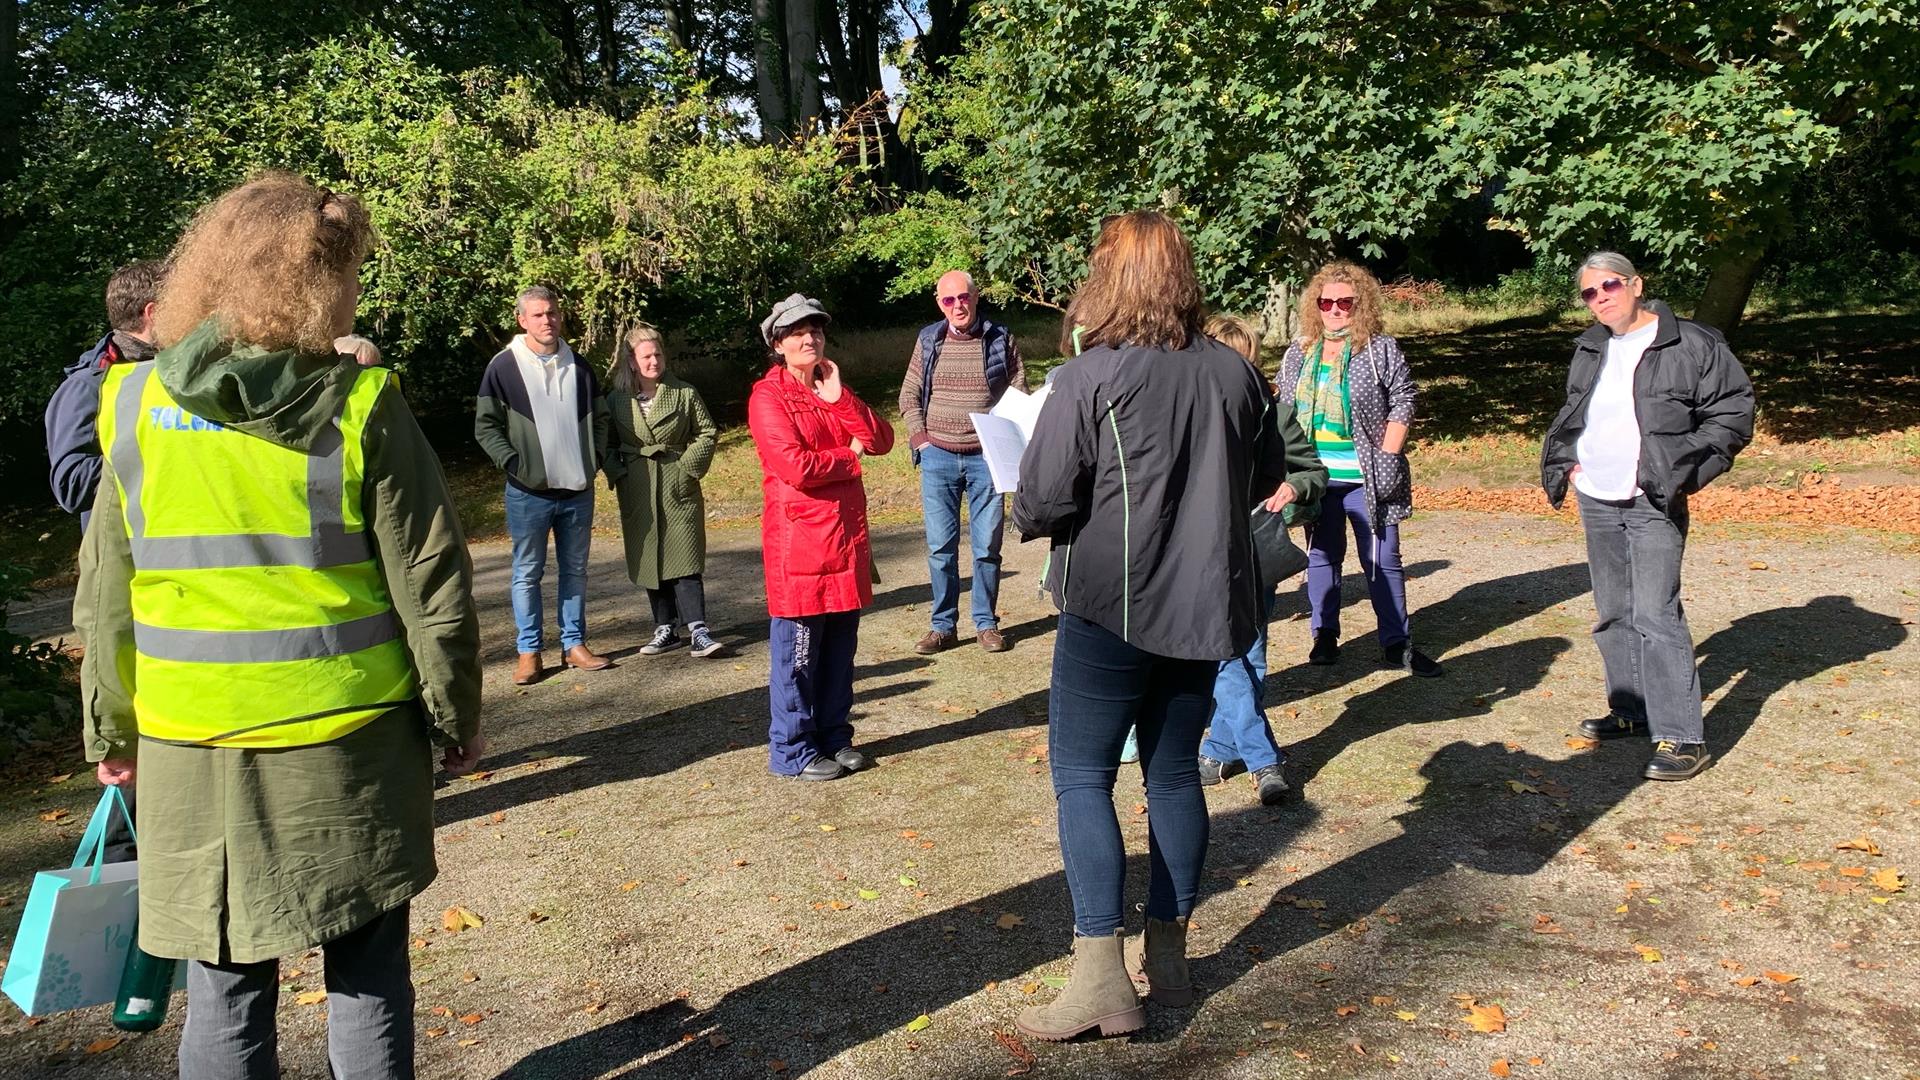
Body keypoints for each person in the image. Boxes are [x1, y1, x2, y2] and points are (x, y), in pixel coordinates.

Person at [72, 171, 484, 1080]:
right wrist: (454, 713)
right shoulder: (364, 404)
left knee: (224, 985)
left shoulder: (136, 407)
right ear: (322, 282)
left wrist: (110, 722)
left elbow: (106, 588)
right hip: (347, 741)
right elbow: (432, 580)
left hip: (190, 749)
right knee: (369, 973)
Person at [1011, 212, 1291, 1041]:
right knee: (1171, 776)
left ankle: (1102, 978)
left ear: (1109, 278)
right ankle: (1167, 958)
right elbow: (1267, 475)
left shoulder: (1092, 376)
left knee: (1083, 777)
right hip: (1205, 608)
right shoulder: (1237, 375)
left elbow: (1041, 501)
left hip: (1112, 607)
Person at [1541, 252, 1754, 781]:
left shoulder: (1692, 342)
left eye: (1609, 286)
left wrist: (1681, 472)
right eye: (1589, 293)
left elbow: (1732, 414)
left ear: (1636, 284)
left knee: (1657, 614)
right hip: (1596, 493)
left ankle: (1683, 737)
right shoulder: (1591, 346)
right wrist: (1570, 464)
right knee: (1613, 610)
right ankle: (1632, 711)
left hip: (1652, 498)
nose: (1600, 298)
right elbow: (1576, 410)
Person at [748, 294, 896, 781]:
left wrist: (841, 399)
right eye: (796, 332)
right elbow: (795, 466)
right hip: (802, 547)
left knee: (838, 652)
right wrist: (848, 459)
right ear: (778, 344)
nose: (808, 338)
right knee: (799, 657)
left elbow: (881, 440)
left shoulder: (831, 388)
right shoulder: (767, 397)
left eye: (814, 330)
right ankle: (792, 749)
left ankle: (834, 734)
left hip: (845, 542)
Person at [1276, 261, 1442, 677]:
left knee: (1382, 560)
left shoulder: (1380, 348)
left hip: (1367, 475)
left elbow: (1404, 398)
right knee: (1323, 557)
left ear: (1360, 304)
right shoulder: (1300, 351)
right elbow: (1281, 407)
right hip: (1316, 476)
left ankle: (1396, 643)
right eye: (1326, 301)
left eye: (1344, 302)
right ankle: (1325, 636)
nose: (1334, 309)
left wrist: (1388, 452)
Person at [1196, 314, 1328, 805]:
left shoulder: (1274, 414)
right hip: (1204, 553)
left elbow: (1314, 470)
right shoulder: (1190, 415)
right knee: (1228, 655)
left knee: (1249, 656)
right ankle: (1263, 759)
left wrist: (1294, 485)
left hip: (1256, 546)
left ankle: (1219, 747)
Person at [475, 286, 612, 685]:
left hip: (576, 490)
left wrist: (595, 460)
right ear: (522, 320)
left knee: (575, 570)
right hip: (527, 492)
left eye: (551, 313)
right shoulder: (503, 367)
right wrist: (515, 463)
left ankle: (574, 644)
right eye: (537, 315)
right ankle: (529, 651)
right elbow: (486, 426)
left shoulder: (580, 366)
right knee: (526, 573)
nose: (546, 321)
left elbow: (600, 419)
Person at [898, 270, 1027, 654]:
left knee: (987, 545)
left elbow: (1018, 392)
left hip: (987, 458)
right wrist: (920, 439)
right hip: (937, 456)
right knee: (941, 547)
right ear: (940, 303)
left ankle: (986, 624)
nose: (958, 306)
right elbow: (908, 394)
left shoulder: (1000, 338)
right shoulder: (928, 340)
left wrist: (1009, 444)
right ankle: (943, 627)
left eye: (964, 297)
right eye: (948, 300)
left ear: (975, 297)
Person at [606, 324, 725, 658]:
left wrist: (687, 469)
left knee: (685, 554)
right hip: (638, 485)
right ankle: (665, 628)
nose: (654, 361)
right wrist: (620, 474)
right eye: (646, 356)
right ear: (631, 361)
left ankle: (698, 629)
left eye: (658, 354)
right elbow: (606, 443)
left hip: (677, 482)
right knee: (649, 555)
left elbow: (706, 433)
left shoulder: (684, 393)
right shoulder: (616, 400)